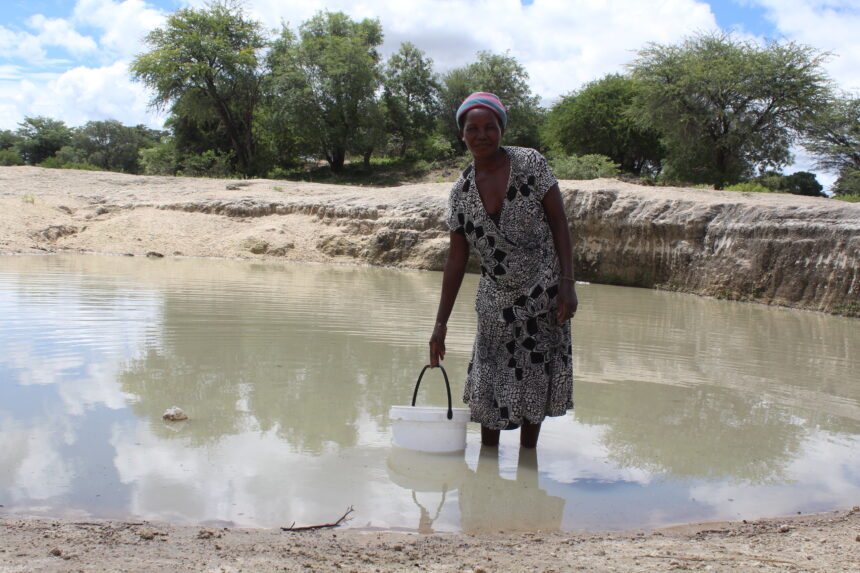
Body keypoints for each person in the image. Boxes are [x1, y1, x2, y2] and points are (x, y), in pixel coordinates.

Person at [429, 92, 577, 449]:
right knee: (490, 387)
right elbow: (456, 261)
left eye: (489, 127)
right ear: (462, 135)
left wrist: (567, 283)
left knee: (536, 379)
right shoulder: (461, 192)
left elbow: (559, 222)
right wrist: (439, 325)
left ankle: (528, 458)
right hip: (494, 302)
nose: (482, 135)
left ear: (501, 129)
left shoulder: (530, 164)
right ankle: (489, 471)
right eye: (472, 129)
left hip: (545, 294)